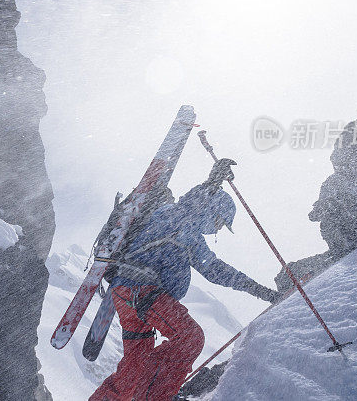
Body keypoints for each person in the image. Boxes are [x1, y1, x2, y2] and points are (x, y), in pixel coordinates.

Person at [90, 159, 279, 401]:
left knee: (135, 366)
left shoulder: (170, 215)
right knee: (190, 338)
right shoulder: (185, 224)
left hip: (125, 293)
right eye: (220, 222)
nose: (218, 229)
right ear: (213, 210)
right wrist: (259, 290)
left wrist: (211, 183)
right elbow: (215, 270)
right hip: (144, 292)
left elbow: (192, 204)